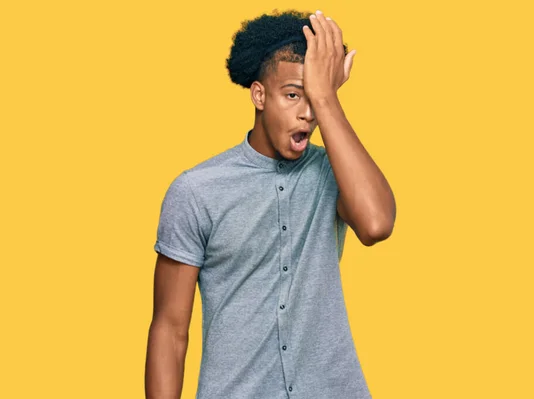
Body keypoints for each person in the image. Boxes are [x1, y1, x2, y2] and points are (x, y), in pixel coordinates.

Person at [145, 9, 396, 399]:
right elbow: (170, 329)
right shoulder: (197, 191)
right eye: (293, 95)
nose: (307, 113)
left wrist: (325, 96)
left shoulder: (336, 173)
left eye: (314, 98)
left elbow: (377, 224)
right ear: (259, 95)